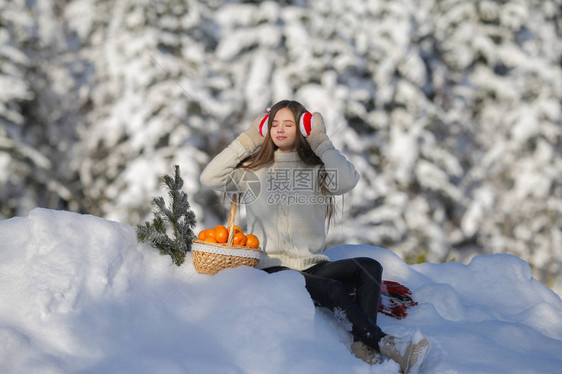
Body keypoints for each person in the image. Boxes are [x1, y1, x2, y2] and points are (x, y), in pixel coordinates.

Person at [200, 100, 429, 372]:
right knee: (334, 289)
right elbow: (210, 176)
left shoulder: (318, 170)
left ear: (304, 128)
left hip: (313, 265)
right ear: (264, 129)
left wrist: (321, 141)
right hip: (272, 268)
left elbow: (347, 181)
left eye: (289, 124)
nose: (280, 130)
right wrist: (249, 138)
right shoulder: (252, 172)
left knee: (369, 267)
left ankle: (363, 349)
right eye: (273, 124)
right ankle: (386, 345)